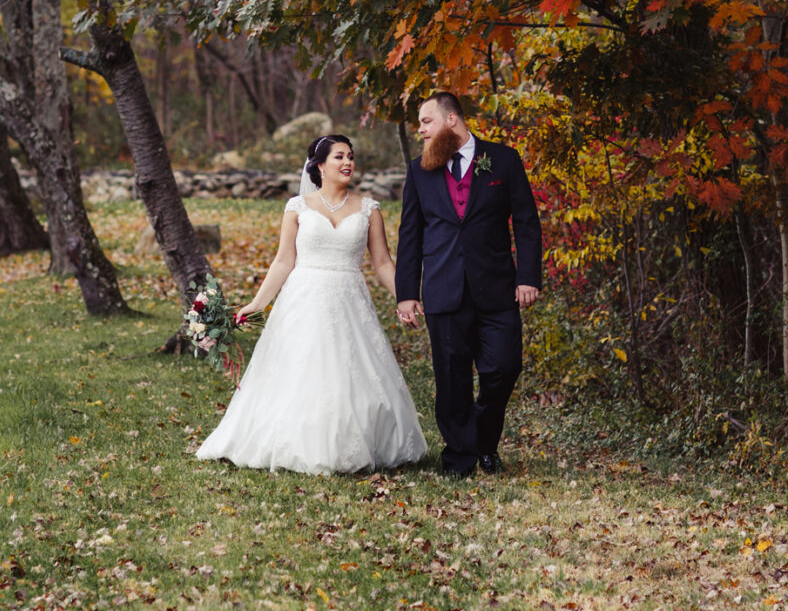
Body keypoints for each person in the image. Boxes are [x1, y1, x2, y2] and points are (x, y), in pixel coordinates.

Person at [195, 134, 427, 475]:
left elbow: (381, 263)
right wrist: (257, 303)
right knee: (300, 371)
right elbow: (283, 261)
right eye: (339, 157)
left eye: (350, 156)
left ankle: (357, 443)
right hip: (303, 299)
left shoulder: (369, 209)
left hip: (349, 299)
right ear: (320, 165)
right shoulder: (297, 207)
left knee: (351, 373)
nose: (347, 162)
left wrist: (406, 298)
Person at [395, 92, 542, 478]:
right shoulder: (419, 171)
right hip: (443, 290)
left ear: (453, 120)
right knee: (451, 378)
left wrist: (528, 277)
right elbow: (410, 235)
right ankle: (460, 458)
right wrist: (407, 293)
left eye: (427, 121)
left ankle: (485, 441)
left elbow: (526, 223)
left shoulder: (504, 160)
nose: (421, 130)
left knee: (504, 367)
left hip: (497, 289)